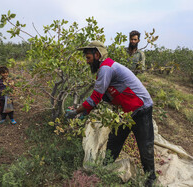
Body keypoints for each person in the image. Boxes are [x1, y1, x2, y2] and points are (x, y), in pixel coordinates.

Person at [65, 41, 156, 186]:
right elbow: (103, 97)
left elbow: (95, 97)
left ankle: (150, 180)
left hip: (141, 108)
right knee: (114, 141)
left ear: (97, 55)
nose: (87, 62)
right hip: (126, 112)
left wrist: (76, 112)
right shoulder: (105, 68)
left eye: (88, 58)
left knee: (145, 145)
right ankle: (103, 171)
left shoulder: (106, 68)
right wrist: (86, 111)